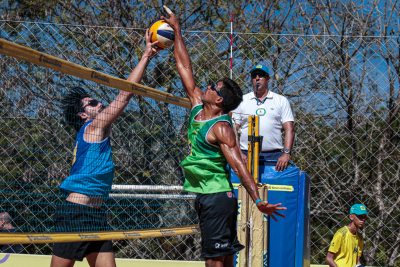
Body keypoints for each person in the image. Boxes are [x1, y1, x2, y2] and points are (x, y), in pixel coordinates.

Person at [161, 6, 287, 267]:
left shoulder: (221, 127)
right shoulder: (198, 105)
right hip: (210, 196)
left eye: (212, 86)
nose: (205, 85)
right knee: (224, 260)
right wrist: (178, 32)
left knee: (215, 262)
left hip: (217, 196)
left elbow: (239, 163)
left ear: (218, 99)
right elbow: (183, 65)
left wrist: (257, 200)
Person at [51, 29, 160, 267]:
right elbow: (124, 95)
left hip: (97, 213)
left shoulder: (97, 130)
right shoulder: (92, 127)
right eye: (92, 103)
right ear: (83, 114)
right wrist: (145, 57)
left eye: (98, 100)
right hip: (76, 213)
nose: (99, 103)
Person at [231, 64, 295, 171]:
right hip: (246, 154)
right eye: (254, 75)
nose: (257, 78)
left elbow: (290, 129)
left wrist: (286, 153)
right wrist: (239, 153)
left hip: (273, 155)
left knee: (274, 187)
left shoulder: (280, 100)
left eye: (261, 75)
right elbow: (233, 130)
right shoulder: (242, 101)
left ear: (268, 79)